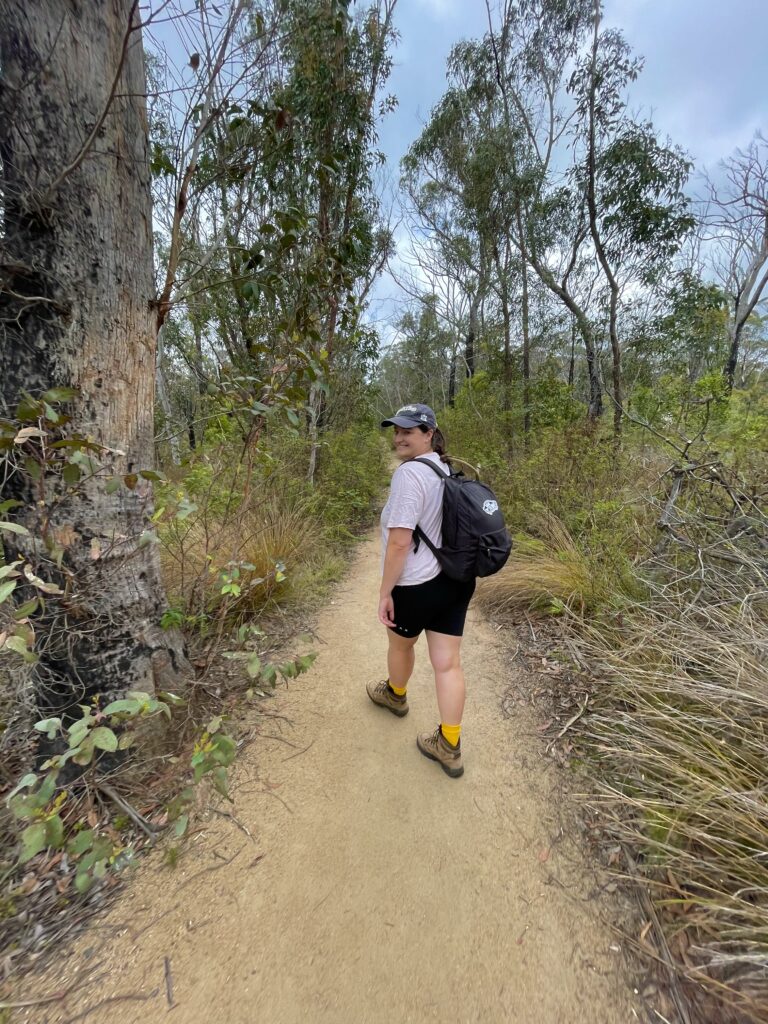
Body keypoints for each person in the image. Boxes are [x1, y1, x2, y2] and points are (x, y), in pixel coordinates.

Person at [366, 403, 475, 779]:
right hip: (454, 581)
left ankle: (395, 696)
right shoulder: (445, 468)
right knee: (448, 664)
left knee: (400, 645)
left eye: (409, 431)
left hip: (415, 585)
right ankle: (450, 744)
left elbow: (399, 541)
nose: (399, 437)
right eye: (396, 430)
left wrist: (385, 591)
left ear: (429, 433)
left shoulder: (409, 475)